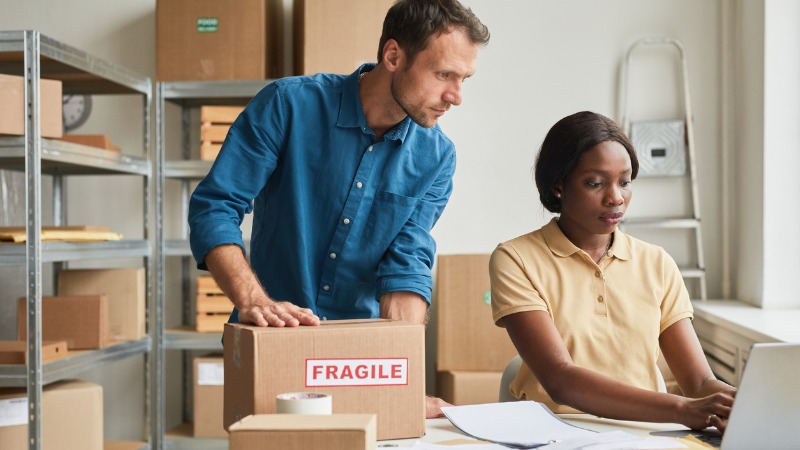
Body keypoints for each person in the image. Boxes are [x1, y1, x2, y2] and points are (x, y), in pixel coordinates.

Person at [188, 0, 490, 419]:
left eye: (464, 79)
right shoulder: (287, 105)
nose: (455, 97)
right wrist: (254, 299)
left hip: (358, 360)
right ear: (393, 56)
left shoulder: (436, 158)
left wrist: (402, 383)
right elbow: (215, 207)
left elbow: (406, 263)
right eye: (444, 75)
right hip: (274, 341)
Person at [489, 111, 737, 431]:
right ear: (558, 186)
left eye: (625, 181)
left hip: (643, 433)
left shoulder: (657, 262)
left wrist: (748, 404)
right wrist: (682, 409)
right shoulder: (516, 258)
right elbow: (559, 378)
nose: (616, 198)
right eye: (595, 183)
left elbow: (700, 382)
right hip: (554, 432)